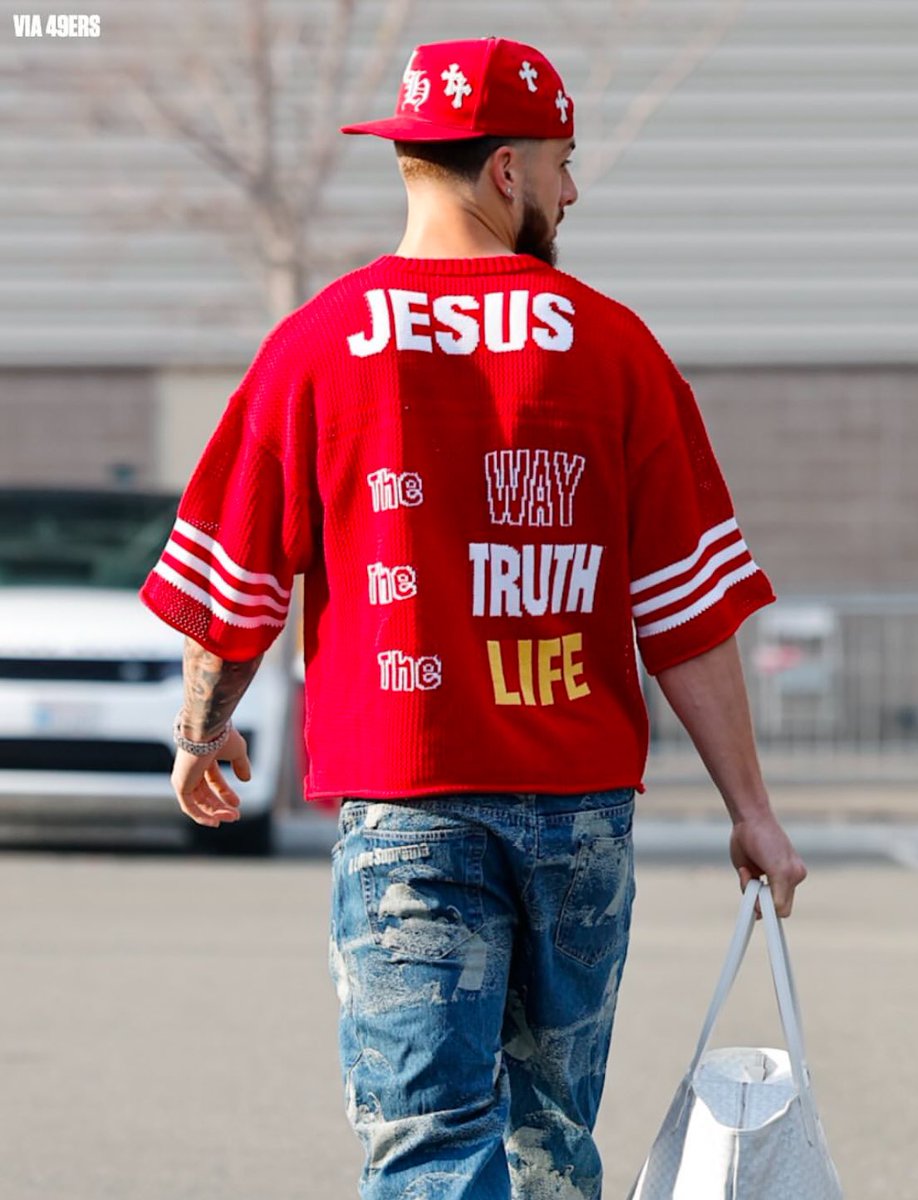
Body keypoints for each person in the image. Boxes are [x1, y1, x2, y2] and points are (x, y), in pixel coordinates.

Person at [140, 36, 806, 1200]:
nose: (572, 189)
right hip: (581, 818)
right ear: (506, 171)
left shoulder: (314, 349)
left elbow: (233, 586)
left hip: (410, 806)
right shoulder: (616, 350)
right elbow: (687, 612)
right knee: (550, 1138)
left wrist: (204, 730)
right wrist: (753, 811)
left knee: (429, 1144)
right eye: (562, 163)